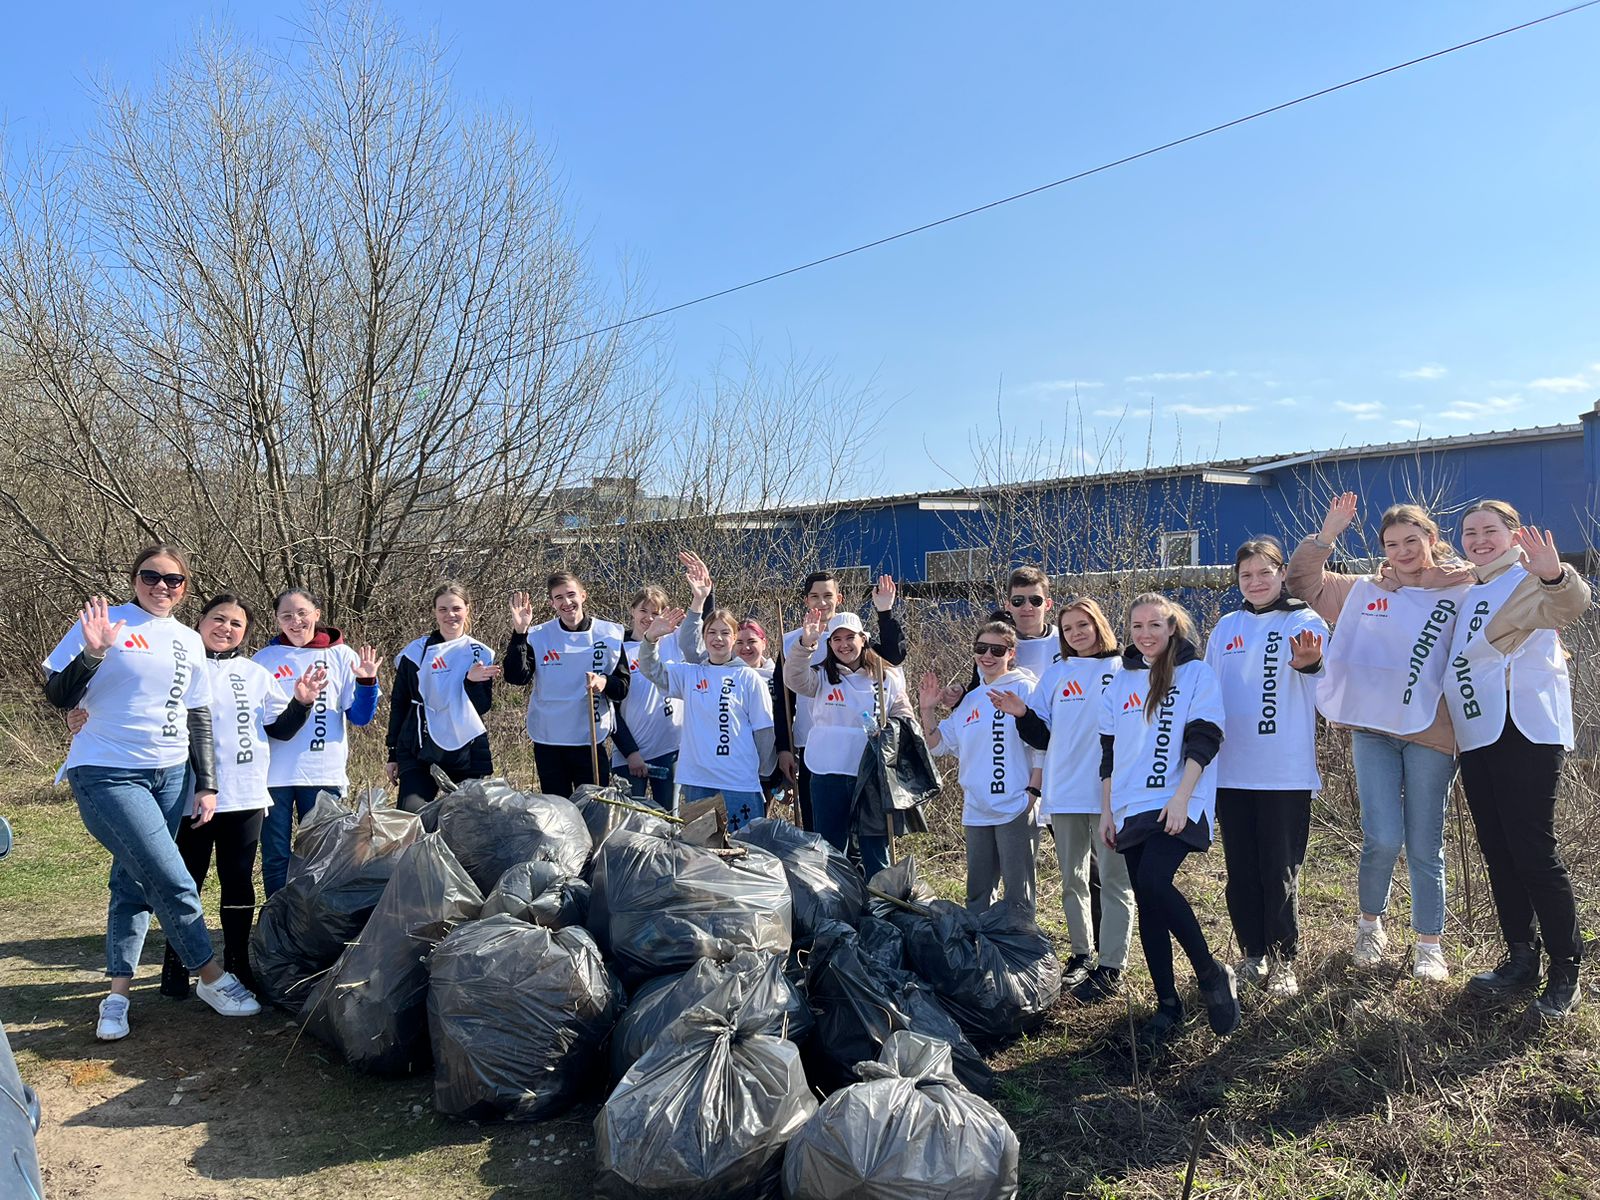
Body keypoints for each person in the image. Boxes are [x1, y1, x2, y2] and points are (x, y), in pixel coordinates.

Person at [42, 546, 261, 1039]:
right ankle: (211, 976)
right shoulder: (105, 621)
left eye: (174, 580)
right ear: (135, 578)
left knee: (132, 880)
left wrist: (206, 783)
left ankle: (117, 994)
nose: (162, 587)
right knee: (170, 874)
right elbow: (58, 693)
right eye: (151, 576)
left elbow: (198, 714)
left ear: (185, 587)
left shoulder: (187, 639)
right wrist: (94, 653)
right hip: (106, 771)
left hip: (168, 775)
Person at [1290, 493, 1473, 981]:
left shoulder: (1464, 587)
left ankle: (1429, 945)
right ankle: (1369, 927)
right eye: (1392, 544)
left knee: (1423, 844)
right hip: (1372, 729)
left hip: (1431, 732)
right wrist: (1327, 534)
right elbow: (1303, 583)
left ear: (1432, 539)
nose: (1403, 551)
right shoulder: (1366, 589)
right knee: (1382, 837)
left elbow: (1505, 612)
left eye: (1412, 540)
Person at [1447, 502, 1590, 1018]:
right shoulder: (1466, 591)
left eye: (1491, 530)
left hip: (1525, 727)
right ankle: (1520, 958)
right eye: (1470, 532)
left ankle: (1566, 968)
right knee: (1498, 850)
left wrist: (1554, 572)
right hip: (1478, 731)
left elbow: (1569, 601)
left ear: (1512, 534)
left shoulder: (1528, 576)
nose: (1480, 539)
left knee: (1533, 850)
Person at [1099, 592, 1235, 1044]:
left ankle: (1211, 974)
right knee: (1148, 902)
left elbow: (1205, 737)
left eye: (1154, 625)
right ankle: (1167, 1004)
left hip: (1178, 801)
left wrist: (1181, 798)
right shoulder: (1120, 680)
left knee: (1156, 884)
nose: (1145, 635)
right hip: (1128, 807)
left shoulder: (1195, 674)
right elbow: (1108, 754)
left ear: (1172, 626)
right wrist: (1107, 811)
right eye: (1137, 627)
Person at [993, 595, 1133, 1002]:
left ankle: (1112, 965)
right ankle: (1081, 956)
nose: (1076, 633)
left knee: (1113, 880)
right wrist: (1022, 714)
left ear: (1098, 625)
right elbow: (1042, 736)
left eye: (1082, 625)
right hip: (1067, 791)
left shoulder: (1124, 668)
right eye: (1068, 628)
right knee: (1073, 880)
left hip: (1110, 794)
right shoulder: (1057, 674)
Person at [1205, 539, 1328, 1000]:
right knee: (1240, 870)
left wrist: (1312, 665)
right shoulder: (1225, 627)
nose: (1255, 582)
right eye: (1246, 575)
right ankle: (1253, 953)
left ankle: (1283, 960)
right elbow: (1207, 693)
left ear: (1281, 573)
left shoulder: (1304, 621)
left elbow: (1327, 685)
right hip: (1231, 771)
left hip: (1283, 772)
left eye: (1264, 573)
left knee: (1279, 869)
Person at [253, 588, 382, 896]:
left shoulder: (342, 655)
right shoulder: (263, 659)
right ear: (277, 620)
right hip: (273, 777)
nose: (295, 622)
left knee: (325, 856)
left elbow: (360, 717)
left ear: (317, 615)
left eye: (302, 613)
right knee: (276, 857)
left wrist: (367, 682)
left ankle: (318, 925)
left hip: (322, 774)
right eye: (287, 616)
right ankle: (277, 920)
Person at [917, 621, 1043, 924]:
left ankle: (1021, 955)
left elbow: (1042, 743)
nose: (988, 655)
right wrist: (927, 711)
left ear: (1011, 653)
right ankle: (983, 953)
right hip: (976, 808)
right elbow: (938, 745)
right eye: (981, 648)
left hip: (1014, 804)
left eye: (997, 650)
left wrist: (1033, 792)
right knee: (977, 893)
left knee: (1018, 894)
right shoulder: (970, 699)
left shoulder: (1025, 687)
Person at [785, 609, 914, 879]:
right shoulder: (820, 675)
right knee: (830, 846)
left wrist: (890, 731)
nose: (844, 645)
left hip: (870, 773)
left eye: (850, 638)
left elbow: (904, 715)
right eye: (836, 639)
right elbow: (793, 679)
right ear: (829, 644)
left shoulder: (886, 675)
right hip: (827, 771)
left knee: (874, 843)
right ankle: (835, 902)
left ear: (863, 639)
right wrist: (806, 645)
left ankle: (879, 901)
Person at [777, 568, 908, 831]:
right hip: (811, 743)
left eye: (828, 595)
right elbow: (783, 698)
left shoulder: (856, 636)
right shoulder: (792, 640)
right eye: (814, 596)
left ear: (840, 598)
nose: (821, 602)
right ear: (806, 601)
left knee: (862, 827)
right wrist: (783, 746)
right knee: (819, 824)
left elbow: (893, 657)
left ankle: (857, 871)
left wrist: (885, 612)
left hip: (857, 745)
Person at [637, 606, 776, 832]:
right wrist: (651, 638)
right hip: (698, 781)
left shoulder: (749, 678)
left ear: (734, 639)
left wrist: (763, 773)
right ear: (704, 637)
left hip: (739, 782)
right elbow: (651, 670)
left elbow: (764, 731)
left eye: (725, 633)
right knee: (701, 852)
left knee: (745, 850)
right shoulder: (689, 674)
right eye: (712, 632)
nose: (718, 638)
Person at [503, 572, 630, 797]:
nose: (567, 602)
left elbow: (621, 688)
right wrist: (520, 633)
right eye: (559, 597)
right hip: (549, 739)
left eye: (571, 595)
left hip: (589, 738)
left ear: (583, 596)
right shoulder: (538, 635)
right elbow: (516, 677)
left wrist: (604, 682)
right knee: (557, 810)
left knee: (594, 808)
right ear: (552, 603)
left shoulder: (608, 633)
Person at [385, 583, 501, 813]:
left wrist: (471, 682)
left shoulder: (479, 652)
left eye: (456, 608)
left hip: (466, 749)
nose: (450, 615)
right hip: (418, 747)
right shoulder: (415, 652)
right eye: (443, 609)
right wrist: (392, 753)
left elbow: (482, 707)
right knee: (412, 818)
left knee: (468, 824)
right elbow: (399, 702)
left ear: (467, 609)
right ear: (435, 612)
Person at [611, 585, 683, 812]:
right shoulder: (617, 648)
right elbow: (611, 709)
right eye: (644, 611)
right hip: (629, 755)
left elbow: (701, 627)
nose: (649, 618)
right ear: (632, 610)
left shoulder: (673, 643)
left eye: (656, 613)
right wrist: (630, 753)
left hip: (669, 751)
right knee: (630, 821)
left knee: (670, 818)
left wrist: (703, 594)